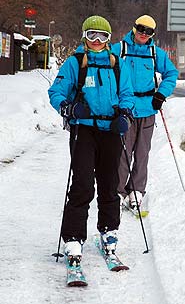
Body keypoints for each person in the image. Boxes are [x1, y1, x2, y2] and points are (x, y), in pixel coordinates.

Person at [48, 15, 135, 266]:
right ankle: (74, 237)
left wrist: (125, 114)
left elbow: (126, 94)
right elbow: (56, 92)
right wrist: (70, 109)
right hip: (84, 131)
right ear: (84, 36)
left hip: (110, 129)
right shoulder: (75, 63)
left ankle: (109, 231)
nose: (97, 41)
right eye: (92, 36)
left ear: (109, 40)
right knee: (83, 184)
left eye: (103, 36)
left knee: (110, 184)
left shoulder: (117, 63)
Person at [111, 15, 178, 211]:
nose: (143, 33)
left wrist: (161, 94)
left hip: (148, 109)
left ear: (152, 34)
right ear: (134, 28)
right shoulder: (119, 50)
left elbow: (171, 74)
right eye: (141, 28)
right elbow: (103, 67)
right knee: (123, 152)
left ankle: (137, 190)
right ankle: (118, 191)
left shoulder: (155, 53)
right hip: (125, 109)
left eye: (148, 31)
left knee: (142, 152)